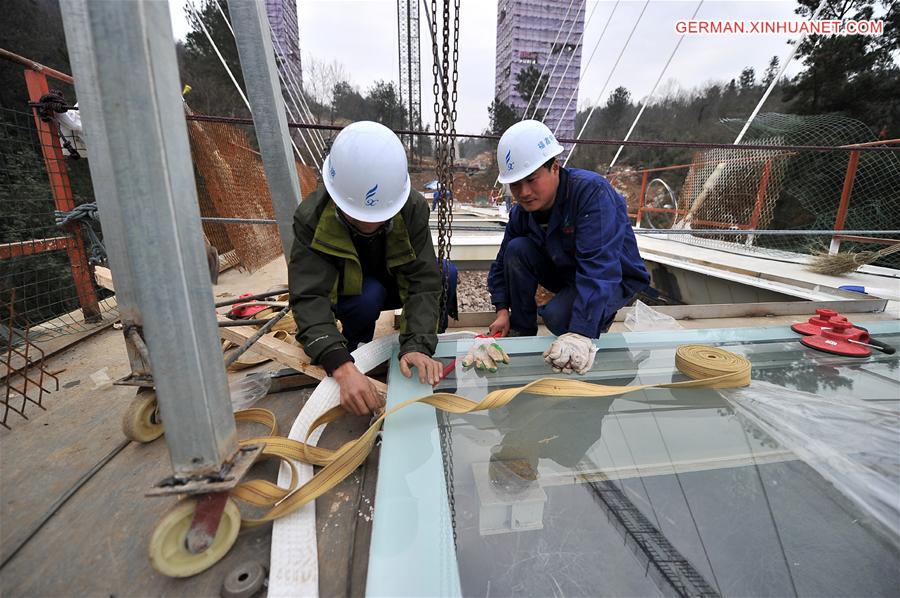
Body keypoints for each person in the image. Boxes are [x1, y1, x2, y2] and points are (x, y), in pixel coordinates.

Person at [289, 121, 457, 415]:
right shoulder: (312, 217)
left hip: (393, 280)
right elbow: (308, 297)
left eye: (381, 216)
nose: (369, 225)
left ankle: (425, 351)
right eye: (356, 216)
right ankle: (355, 349)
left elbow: (423, 280)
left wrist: (417, 343)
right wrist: (339, 364)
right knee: (368, 296)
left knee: (445, 274)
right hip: (354, 290)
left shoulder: (411, 207)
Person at [486, 120, 650, 374]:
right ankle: (521, 330)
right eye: (516, 184)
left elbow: (600, 267)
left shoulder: (591, 194)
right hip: (568, 272)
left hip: (614, 277)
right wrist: (501, 310)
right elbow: (502, 263)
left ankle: (596, 319)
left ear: (554, 167)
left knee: (558, 317)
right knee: (517, 249)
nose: (524, 191)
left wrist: (580, 333)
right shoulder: (522, 212)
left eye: (531, 180)